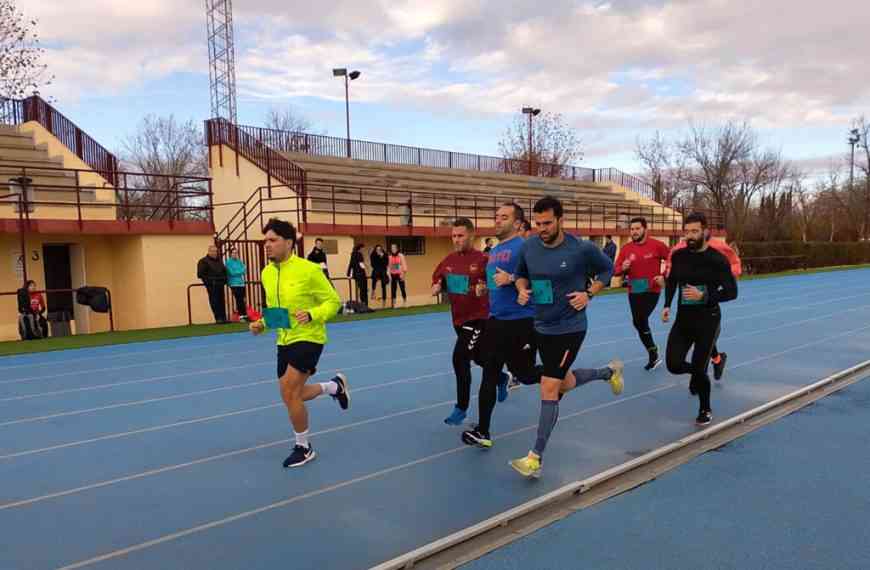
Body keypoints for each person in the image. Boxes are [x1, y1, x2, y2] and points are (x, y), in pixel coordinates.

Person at [509, 196, 624, 479]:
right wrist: (521, 289)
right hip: (541, 325)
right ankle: (608, 372)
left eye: (547, 223)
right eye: (538, 223)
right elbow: (520, 275)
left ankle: (535, 458)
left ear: (561, 220)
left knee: (549, 386)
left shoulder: (580, 248)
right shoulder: (529, 247)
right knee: (566, 382)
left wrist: (589, 293)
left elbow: (607, 269)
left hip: (570, 328)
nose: (542, 228)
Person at [249, 218, 349, 468]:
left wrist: (313, 314)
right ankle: (333, 387)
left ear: (289, 242)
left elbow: (333, 302)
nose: (267, 245)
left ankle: (304, 447)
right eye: (265, 240)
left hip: (309, 337)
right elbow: (277, 311)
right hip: (284, 339)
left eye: (272, 240)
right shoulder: (267, 273)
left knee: (290, 391)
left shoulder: (309, 270)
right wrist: (262, 323)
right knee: (291, 394)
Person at [460, 203, 538, 448]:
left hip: (521, 320)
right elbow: (497, 283)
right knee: (489, 372)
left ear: (517, 223)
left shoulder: (526, 247)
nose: (497, 220)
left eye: (504, 217)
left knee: (525, 375)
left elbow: (542, 279)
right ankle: (483, 431)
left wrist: (511, 279)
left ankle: (561, 375)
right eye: (496, 216)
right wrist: (486, 288)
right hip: (496, 319)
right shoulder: (495, 250)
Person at [663, 212, 738, 427]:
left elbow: (732, 292)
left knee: (699, 368)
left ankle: (705, 408)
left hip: (708, 320)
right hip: (683, 320)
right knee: (673, 365)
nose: (689, 236)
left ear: (705, 232)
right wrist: (667, 305)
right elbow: (672, 281)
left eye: (694, 231)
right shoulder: (679, 256)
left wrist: (704, 295)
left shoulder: (717, 260)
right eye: (686, 232)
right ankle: (699, 372)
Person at [432, 218, 494, 425]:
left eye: (460, 236)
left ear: (471, 236)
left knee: (459, 358)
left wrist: (486, 287)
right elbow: (438, 277)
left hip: (478, 318)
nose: (456, 240)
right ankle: (501, 377)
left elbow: (496, 283)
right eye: (454, 236)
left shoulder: (484, 259)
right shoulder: (448, 260)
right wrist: (436, 285)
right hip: (458, 318)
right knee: (478, 358)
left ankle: (461, 408)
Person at [666, 230, 742, 380]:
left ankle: (702, 373)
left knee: (702, 344)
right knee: (691, 344)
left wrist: (709, 290)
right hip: (687, 311)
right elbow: (672, 269)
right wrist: (667, 301)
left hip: (707, 312)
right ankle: (717, 360)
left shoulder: (717, 248)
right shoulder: (681, 249)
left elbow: (733, 265)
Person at [612, 217, 671, 370]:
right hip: (635, 290)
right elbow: (615, 270)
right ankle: (653, 351)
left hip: (652, 289)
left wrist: (663, 276)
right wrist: (623, 268)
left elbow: (672, 260)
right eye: (632, 229)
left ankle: (653, 353)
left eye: (637, 228)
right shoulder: (626, 249)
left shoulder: (657, 245)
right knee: (638, 322)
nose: (634, 232)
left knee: (640, 319)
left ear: (645, 229)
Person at [197, 245, 228, 324]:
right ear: (209, 252)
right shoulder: (203, 261)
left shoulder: (219, 261)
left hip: (220, 284)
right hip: (211, 285)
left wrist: (224, 280)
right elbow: (200, 274)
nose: (214, 253)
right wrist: (209, 282)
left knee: (221, 301)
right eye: (213, 251)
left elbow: (224, 271)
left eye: (215, 251)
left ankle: (224, 318)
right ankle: (218, 318)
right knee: (214, 301)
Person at [225, 246, 248, 321]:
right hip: (233, 284)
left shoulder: (239, 261)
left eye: (236, 253)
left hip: (241, 283)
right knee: (239, 299)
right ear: (230, 254)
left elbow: (244, 269)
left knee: (243, 299)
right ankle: (241, 316)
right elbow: (232, 273)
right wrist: (240, 271)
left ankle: (245, 315)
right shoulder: (228, 262)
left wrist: (239, 271)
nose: (235, 254)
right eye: (233, 253)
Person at [388, 243, 408, 307]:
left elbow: (404, 265)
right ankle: (394, 304)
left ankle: (405, 302)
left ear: (397, 249)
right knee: (393, 289)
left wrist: (403, 274)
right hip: (393, 274)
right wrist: (389, 275)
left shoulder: (401, 255)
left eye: (394, 248)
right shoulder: (390, 257)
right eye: (392, 248)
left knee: (402, 288)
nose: (393, 249)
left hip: (400, 274)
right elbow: (389, 266)